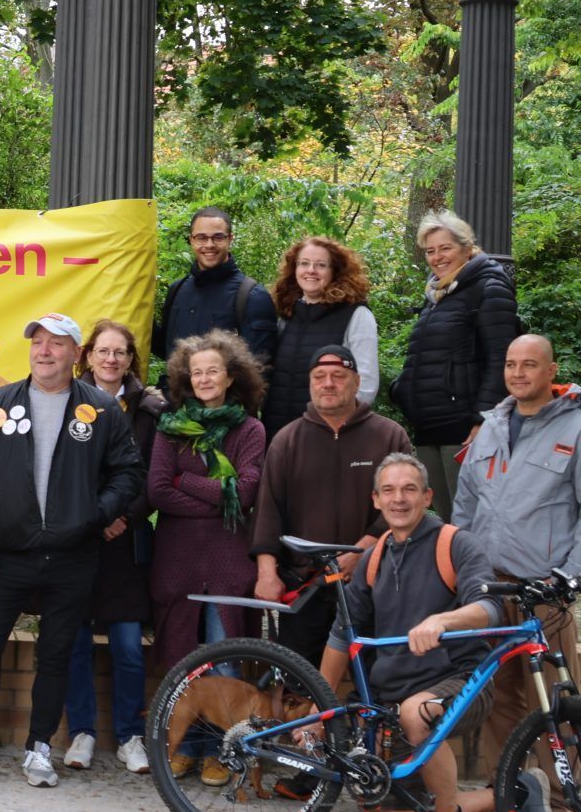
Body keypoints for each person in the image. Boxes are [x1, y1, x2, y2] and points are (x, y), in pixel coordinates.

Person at [0, 313, 145, 786]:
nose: (44, 351)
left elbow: (129, 473)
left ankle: (39, 748)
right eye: (37, 342)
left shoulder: (101, 409)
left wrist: (93, 515)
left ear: (76, 354)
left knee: (56, 656)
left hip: (72, 558)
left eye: (56, 343)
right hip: (6, 555)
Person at [326, 453, 555, 812]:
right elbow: (343, 633)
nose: (399, 499)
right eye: (389, 490)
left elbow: (489, 608)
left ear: (428, 496)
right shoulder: (374, 558)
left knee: (420, 714)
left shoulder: (456, 544)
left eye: (409, 489)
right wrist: (318, 706)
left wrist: (442, 621)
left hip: (461, 681)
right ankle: (516, 792)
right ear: (376, 500)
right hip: (395, 701)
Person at [454, 333, 581, 759]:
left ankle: (563, 794)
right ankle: (509, 790)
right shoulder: (489, 430)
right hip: (490, 590)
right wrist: (463, 567)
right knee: (498, 699)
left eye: (529, 364)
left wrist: (568, 578)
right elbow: (465, 506)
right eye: (511, 364)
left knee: (553, 703)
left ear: (551, 372)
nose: (518, 373)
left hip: (544, 592)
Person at [147, 331, 266, 782]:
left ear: (231, 377)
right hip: (177, 559)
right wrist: (218, 496)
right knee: (181, 660)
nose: (204, 379)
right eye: (196, 372)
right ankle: (186, 748)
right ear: (186, 379)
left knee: (225, 661)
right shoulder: (170, 428)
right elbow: (158, 491)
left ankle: (221, 751)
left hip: (228, 560)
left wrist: (186, 482)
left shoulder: (251, 430)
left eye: (213, 371)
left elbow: (246, 492)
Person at [249, 345, 412, 668]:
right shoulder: (287, 440)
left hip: (372, 582)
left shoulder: (389, 436)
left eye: (338, 376)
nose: (328, 384)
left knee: (375, 678)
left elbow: (406, 505)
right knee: (299, 679)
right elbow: (267, 511)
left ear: (357, 382)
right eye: (319, 376)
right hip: (306, 584)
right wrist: (267, 574)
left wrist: (360, 552)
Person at [61, 318, 164, 774]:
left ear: (130, 359)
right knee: (75, 641)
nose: (111, 359)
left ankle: (129, 736)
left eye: (120, 351)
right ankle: (81, 732)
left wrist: (123, 517)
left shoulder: (151, 410)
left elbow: (155, 476)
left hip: (126, 541)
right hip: (79, 537)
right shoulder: (66, 401)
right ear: (87, 356)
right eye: (103, 350)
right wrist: (91, 517)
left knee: (128, 647)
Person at [391, 209, 519, 512]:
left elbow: (501, 358)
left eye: (445, 248)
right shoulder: (437, 294)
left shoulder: (488, 287)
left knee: (471, 522)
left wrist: (482, 420)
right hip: (429, 428)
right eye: (430, 251)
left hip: (463, 430)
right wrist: (403, 392)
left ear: (466, 247)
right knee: (446, 524)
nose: (437, 257)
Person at [260, 235, 380, 435]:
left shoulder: (356, 314)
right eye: (304, 263)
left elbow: (366, 383)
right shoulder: (287, 315)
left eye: (321, 265)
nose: (311, 270)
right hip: (278, 433)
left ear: (335, 271)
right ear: (294, 269)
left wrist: (343, 427)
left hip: (329, 433)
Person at [150, 207, 278, 371]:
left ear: (230, 239)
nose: (209, 244)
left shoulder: (252, 296)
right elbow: (167, 350)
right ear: (191, 240)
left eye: (218, 237)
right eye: (201, 238)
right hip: (175, 387)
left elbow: (259, 368)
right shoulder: (177, 290)